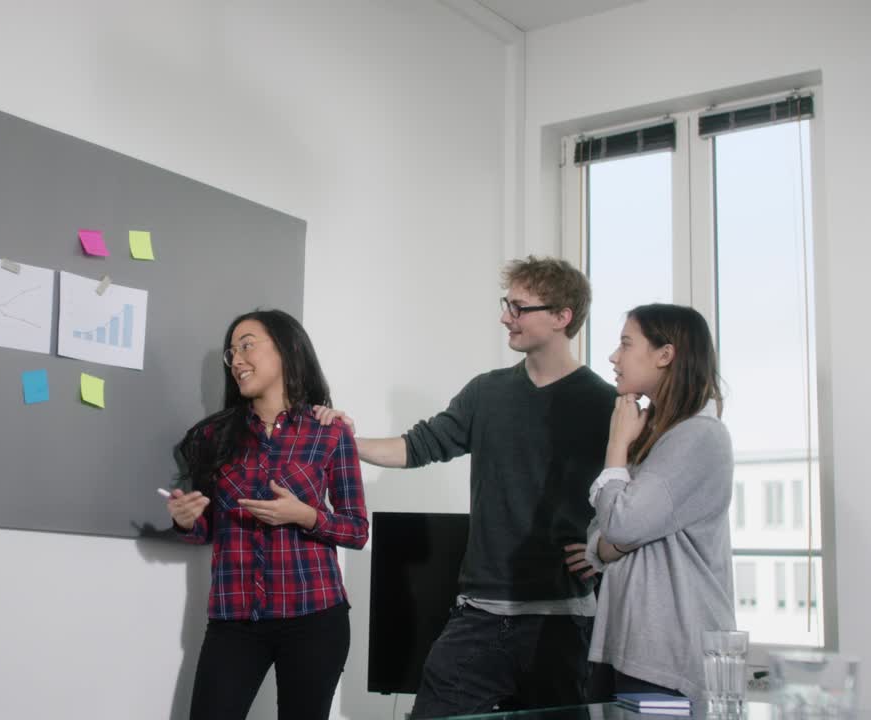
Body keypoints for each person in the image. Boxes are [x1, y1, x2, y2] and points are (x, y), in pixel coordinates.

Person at [318, 256, 617, 717]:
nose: (505, 317)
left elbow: (631, 493)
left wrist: (603, 546)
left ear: (562, 317)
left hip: (560, 623)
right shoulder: (487, 392)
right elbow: (418, 446)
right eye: (506, 305)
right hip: (479, 615)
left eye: (519, 308)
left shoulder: (604, 404)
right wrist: (345, 440)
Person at [165, 309, 369, 720]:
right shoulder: (212, 436)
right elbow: (208, 529)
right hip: (235, 618)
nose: (237, 360)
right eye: (231, 353)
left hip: (315, 616)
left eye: (247, 346)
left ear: (286, 351)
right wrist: (187, 521)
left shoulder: (329, 431)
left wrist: (305, 515)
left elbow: (357, 530)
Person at [566, 304, 736, 700]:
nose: (613, 356)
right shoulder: (662, 437)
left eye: (626, 344)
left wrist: (616, 444)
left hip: (668, 655)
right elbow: (603, 531)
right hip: (631, 645)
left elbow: (620, 524)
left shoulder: (699, 437)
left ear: (665, 354)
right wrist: (613, 539)